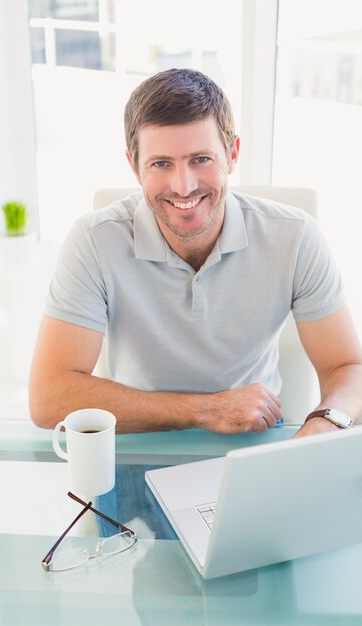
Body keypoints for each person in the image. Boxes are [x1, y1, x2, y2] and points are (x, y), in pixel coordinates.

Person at [29, 68, 362, 436]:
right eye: (161, 163)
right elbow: (48, 398)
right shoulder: (94, 240)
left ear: (232, 154)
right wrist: (206, 410)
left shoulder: (296, 236)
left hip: (252, 436)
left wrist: (326, 422)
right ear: (134, 167)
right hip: (138, 435)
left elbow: (348, 367)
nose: (183, 187)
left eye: (201, 159)